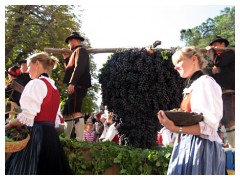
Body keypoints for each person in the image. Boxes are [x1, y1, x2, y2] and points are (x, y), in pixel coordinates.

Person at [157, 47, 225, 175]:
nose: (175, 67)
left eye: (178, 62)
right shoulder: (194, 85)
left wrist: (175, 128)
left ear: (194, 59)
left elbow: (210, 127)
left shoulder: (205, 84)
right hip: (188, 145)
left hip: (202, 149)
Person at [5, 52, 72, 175]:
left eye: (29, 66)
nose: (26, 70)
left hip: (36, 136)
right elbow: (55, 118)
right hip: (51, 137)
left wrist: (9, 125)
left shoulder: (36, 83)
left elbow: (26, 117)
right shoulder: (54, 89)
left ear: (37, 64)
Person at [206, 36, 235, 148]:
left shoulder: (230, 52)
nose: (213, 47)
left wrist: (210, 50)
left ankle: (235, 149)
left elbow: (219, 61)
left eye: (215, 44)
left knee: (231, 122)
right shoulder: (219, 59)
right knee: (222, 122)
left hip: (230, 93)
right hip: (221, 94)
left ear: (223, 44)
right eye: (212, 46)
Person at [62, 32, 92, 141]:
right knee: (67, 113)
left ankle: (80, 139)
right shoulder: (75, 52)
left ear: (73, 40)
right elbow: (71, 70)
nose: (68, 44)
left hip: (77, 86)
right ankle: (66, 138)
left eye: (69, 41)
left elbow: (79, 67)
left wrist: (73, 83)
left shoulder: (81, 51)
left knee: (75, 111)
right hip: (75, 85)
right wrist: (66, 59)